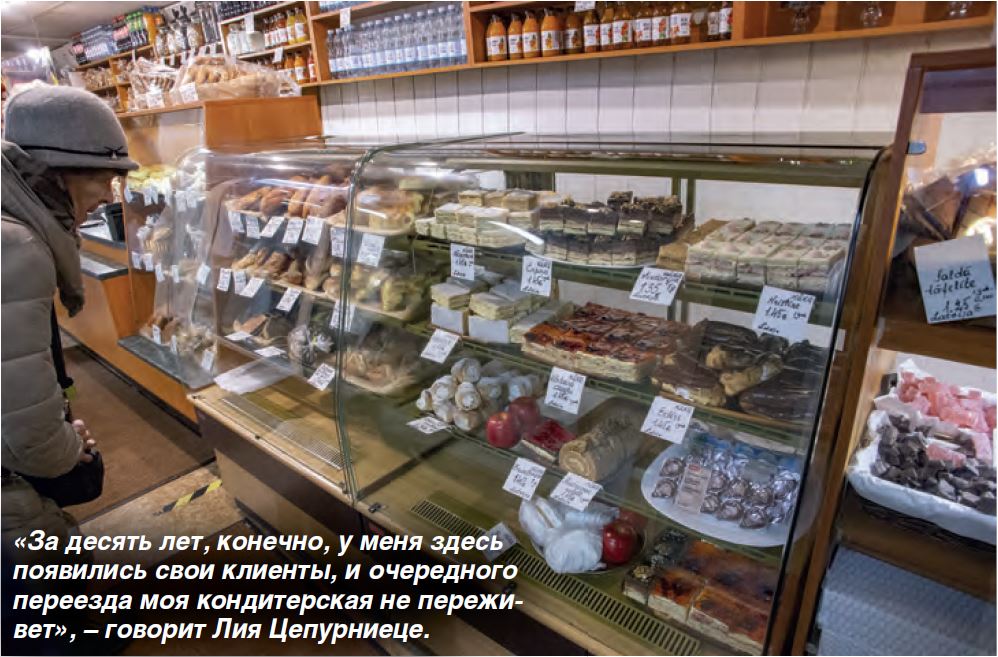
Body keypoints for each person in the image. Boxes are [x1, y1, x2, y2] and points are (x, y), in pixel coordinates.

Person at [1, 84, 138, 553]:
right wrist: (65, 447)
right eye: (105, 177)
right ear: (62, 173)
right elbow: (22, 415)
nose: (109, 194)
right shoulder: (16, 247)